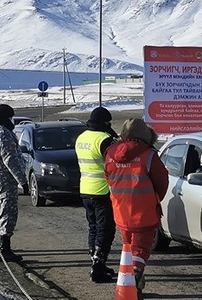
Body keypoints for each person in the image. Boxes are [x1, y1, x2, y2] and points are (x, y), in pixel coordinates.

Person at [104, 118, 168, 298]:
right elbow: (162, 182)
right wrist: (155, 199)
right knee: (140, 250)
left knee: (129, 248)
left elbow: (108, 177)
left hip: (120, 212)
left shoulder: (110, 153)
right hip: (144, 212)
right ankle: (133, 283)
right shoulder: (149, 155)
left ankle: (131, 281)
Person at [75, 106, 119, 282]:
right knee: (105, 229)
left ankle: (95, 262)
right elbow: (115, 165)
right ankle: (98, 267)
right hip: (102, 190)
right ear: (105, 122)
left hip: (85, 189)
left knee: (93, 227)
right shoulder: (104, 140)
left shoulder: (81, 137)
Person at [0, 104, 29, 262]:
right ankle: (5, 248)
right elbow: (10, 160)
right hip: (4, 180)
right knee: (7, 212)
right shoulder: (2, 133)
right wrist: (22, 181)